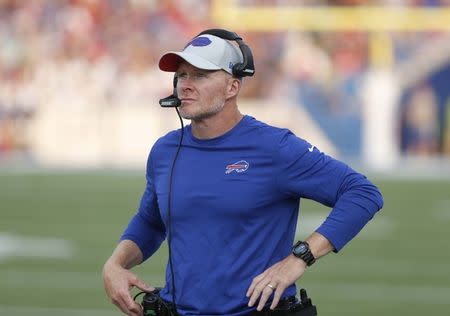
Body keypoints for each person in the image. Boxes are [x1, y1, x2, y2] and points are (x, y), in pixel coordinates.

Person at [102, 29, 384, 316]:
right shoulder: (165, 150)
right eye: (182, 75)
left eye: (200, 75)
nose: (186, 85)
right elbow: (151, 221)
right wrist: (115, 264)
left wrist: (301, 257)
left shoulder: (274, 147)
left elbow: (361, 193)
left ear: (232, 87)